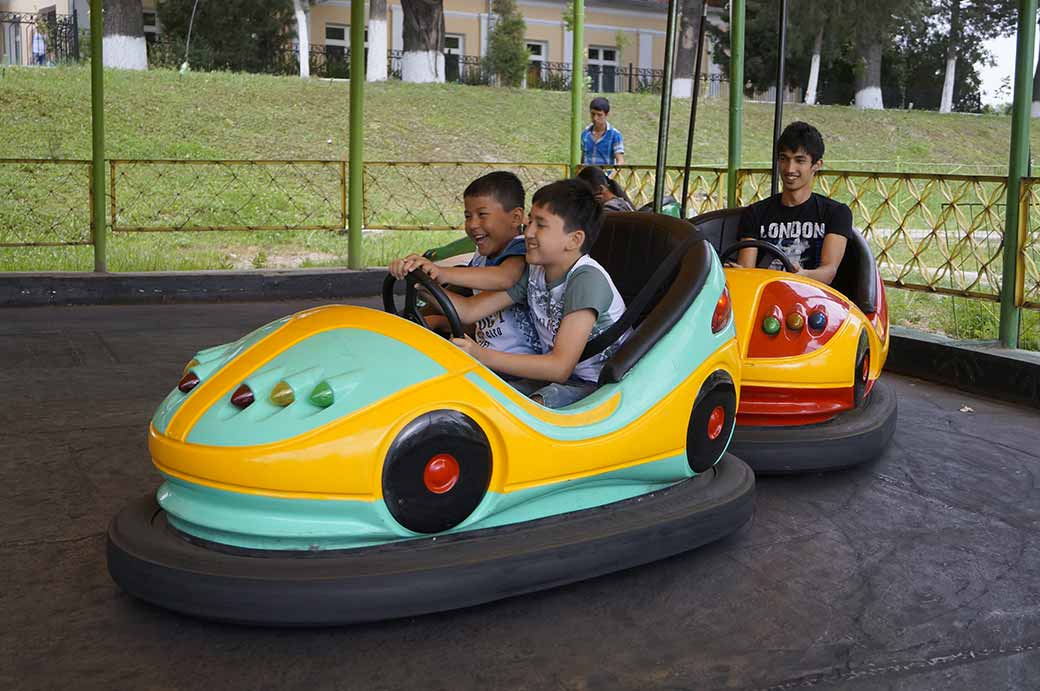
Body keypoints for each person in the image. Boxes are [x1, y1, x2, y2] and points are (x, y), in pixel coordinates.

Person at [429, 179, 628, 409]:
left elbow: (559, 367)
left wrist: (480, 354)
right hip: (553, 379)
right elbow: (470, 311)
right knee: (477, 393)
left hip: (597, 385)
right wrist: (423, 279)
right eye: (530, 221)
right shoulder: (534, 270)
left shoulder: (585, 279)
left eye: (540, 225)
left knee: (529, 409)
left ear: (574, 240)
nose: (528, 232)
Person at [390, 171, 541, 356]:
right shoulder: (481, 257)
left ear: (516, 218)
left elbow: (504, 278)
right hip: (485, 357)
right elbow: (479, 320)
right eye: (468, 216)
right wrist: (416, 277)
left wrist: (440, 272)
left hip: (516, 366)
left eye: (482, 214)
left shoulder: (520, 250)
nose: (472, 224)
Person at [734, 121, 852, 285]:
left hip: (813, 298)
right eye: (784, 159)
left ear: (816, 165)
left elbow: (828, 271)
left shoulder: (835, 213)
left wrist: (802, 275)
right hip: (766, 295)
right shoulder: (755, 212)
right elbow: (746, 269)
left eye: (799, 160)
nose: (790, 169)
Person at [581, 97, 625, 167]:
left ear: (606, 114)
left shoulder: (615, 135)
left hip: (605, 176)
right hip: (587, 176)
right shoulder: (585, 134)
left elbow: (620, 161)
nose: (595, 118)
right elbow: (582, 159)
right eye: (593, 114)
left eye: (599, 115)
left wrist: (609, 177)